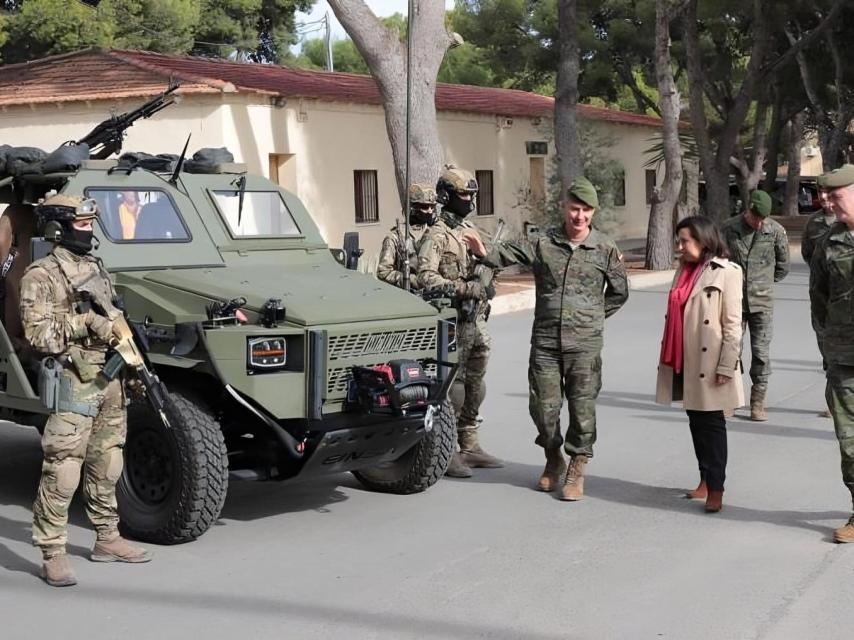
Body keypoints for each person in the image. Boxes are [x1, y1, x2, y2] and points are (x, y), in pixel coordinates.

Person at [20, 194, 151, 588]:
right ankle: (53, 551)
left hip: (107, 378)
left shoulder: (95, 267)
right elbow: (36, 335)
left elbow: (112, 319)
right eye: (81, 224)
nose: (89, 230)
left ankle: (107, 538)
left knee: (108, 461)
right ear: (58, 228)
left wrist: (129, 363)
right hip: (74, 379)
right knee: (63, 467)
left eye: (91, 222)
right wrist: (86, 323)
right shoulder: (40, 275)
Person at [470, 177, 628, 500]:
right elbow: (509, 252)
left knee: (582, 410)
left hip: (584, 347)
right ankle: (553, 457)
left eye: (585, 210)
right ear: (564, 207)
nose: (579, 216)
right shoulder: (544, 243)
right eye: (574, 208)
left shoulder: (605, 249)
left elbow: (619, 292)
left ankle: (577, 467)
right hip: (545, 344)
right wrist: (483, 251)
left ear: (593, 212)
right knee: (543, 409)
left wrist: (593, 318)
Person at [417, 166, 502, 478]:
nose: (469, 200)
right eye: (464, 195)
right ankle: (447, 449)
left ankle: (470, 445)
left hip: (477, 321)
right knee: (454, 390)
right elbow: (425, 277)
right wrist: (467, 288)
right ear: (446, 196)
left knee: (476, 388)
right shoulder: (436, 235)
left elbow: (492, 270)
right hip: (453, 323)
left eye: (472, 195)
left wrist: (483, 256)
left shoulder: (470, 230)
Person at [655, 216, 744, 513]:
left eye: (685, 241)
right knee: (696, 421)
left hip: (712, 359)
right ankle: (704, 478)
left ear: (704, 240)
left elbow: (733, 324)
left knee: (712, 425)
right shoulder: (684, 271)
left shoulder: (727, 272)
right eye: (678, 241)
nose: (679, 247)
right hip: (685, 357)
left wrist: (726, 366)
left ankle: (716, 487)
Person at [808, 164, 854, 543]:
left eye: (835, 195)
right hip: (843, 358)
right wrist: (827, 348)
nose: (827, 202)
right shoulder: (828, 242)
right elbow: (818, 300)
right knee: (850, 439)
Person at [720, 189, 790, 421]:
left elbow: (783, 266)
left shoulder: (775, 231)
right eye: (756, 218)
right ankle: (729, 400)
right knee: (731, 351)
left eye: (763, 219)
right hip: (733, 302)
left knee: (761, 354)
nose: (760, 224)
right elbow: (717, 260)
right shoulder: (729, 228)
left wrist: (763, 284)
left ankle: (757, 404)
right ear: (748, 210)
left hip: (762, 303)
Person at [802, 182, 836, 418]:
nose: (823, 197)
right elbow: (807, 254)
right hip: (822, 299)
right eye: (820, 193)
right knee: (827, 351)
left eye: (828, 193)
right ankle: (835, 403)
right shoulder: (813, 223)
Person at [376, 183, 437, 287]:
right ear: (412, 208)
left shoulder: (436, 233)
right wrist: (409, 279)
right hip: (409, 293)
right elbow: (383, 272)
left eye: (432, 207)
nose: (430, 211)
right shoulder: (395, 237)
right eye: (425, 207)